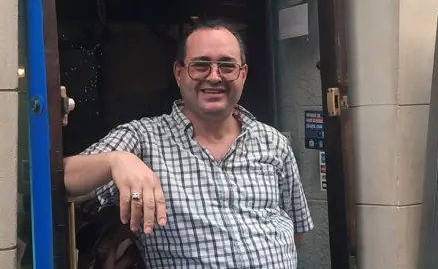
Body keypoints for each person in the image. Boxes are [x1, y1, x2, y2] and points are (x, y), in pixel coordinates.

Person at [64, 19, 314, 268]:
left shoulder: (274, 142)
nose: (214, 77)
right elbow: (57, 179)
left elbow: (296, 234)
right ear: (179, 73)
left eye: (227, 66)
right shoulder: (143, 139)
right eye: (200, 65)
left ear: (243, 74)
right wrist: (115, 161)